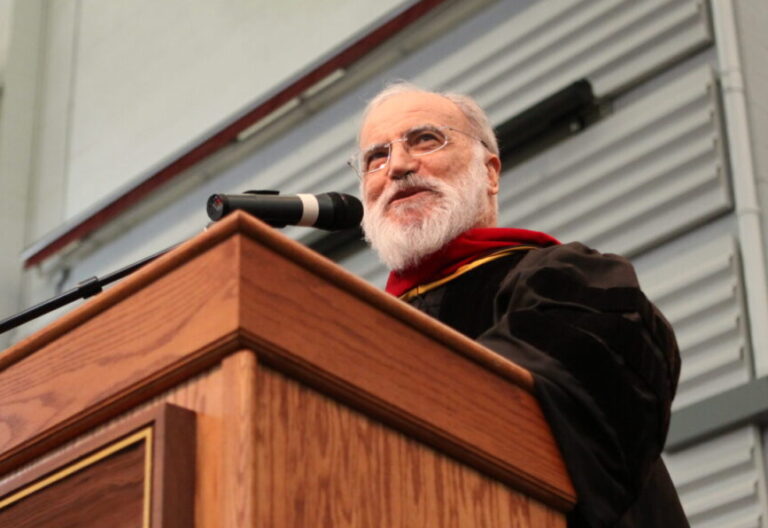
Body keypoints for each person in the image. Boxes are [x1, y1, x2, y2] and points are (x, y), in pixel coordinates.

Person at [352, 82, 689, 527]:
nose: (398, 166)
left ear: (490, 172)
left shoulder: (568, 281)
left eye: (425, 139)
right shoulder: (357, 332)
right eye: (377, 157)